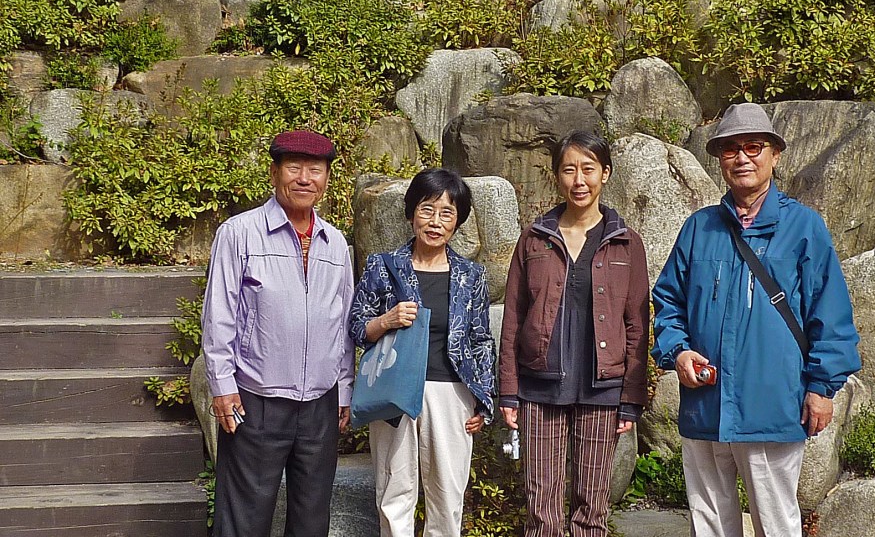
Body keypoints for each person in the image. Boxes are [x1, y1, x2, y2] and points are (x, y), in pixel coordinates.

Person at [651, 103, 862, 537]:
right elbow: (668, 301)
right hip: (706, 404)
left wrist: (822, 388)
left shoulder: (803, 227)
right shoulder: (699, 228)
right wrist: (678, 351)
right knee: (709, 520)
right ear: (719, 158)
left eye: (753, 147)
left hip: (773, 403)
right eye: (731, 149)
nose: (742, 158)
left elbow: (831, 315)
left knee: (776, 521)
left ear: (774, 155)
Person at [201, 129, 356, 537]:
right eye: (294, 168)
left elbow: (341, 322)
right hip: (255, 398)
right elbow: (219, 315)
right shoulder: (239, 233)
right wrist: (222, 385)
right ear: (274, 173)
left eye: (315, 170)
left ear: (326, 179)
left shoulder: (336, 243)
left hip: (320, 403)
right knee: (243, 520)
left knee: (311, 520)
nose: (305, 178)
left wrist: (343, 388)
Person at [499, 130, 650, 537]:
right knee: (541, 509)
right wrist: (508, 391)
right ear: (556, 176)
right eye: (569, 170)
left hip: (602, 389)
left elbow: (637, 326)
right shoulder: (534, 239)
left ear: (606, 173)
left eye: (588, 169)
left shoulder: (626, 243)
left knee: (592, 508)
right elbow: (513, 318)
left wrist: (631, 398)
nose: (579, 180)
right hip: (539, 387)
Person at [348, 168, 496, 537]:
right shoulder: (383, 266)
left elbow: (480, 339)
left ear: (457, 221)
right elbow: (356, 327)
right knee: (394, 493)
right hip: (393, 391)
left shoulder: (471, 275)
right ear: (411, 212)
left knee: (447, 496)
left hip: (451, 393)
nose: (435, 222)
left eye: (447, 213)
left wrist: (483, 400)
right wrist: (387, 320)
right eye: (427, 209)